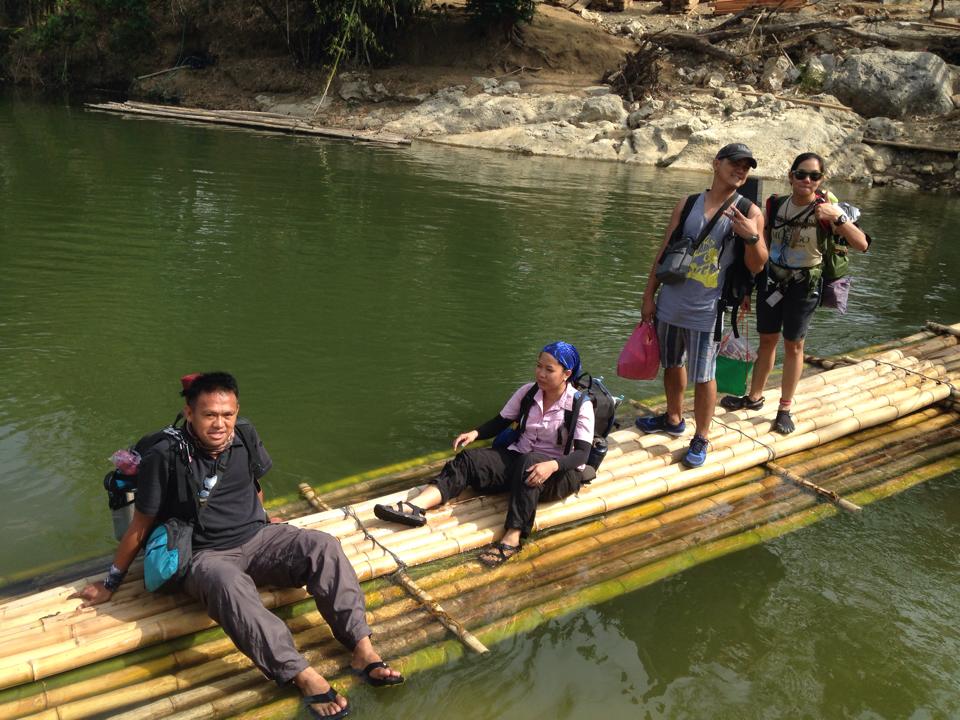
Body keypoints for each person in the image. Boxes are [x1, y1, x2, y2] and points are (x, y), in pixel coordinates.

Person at [72, 372, 401, 720]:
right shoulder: (165, 455)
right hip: (205, 555)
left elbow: (252, 483)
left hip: (257, 536)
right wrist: (110, 583)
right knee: (228, 584)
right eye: (209, 415)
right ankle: (301, 675)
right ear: (189, 414)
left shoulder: (245, 434)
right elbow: (140, 526)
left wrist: (265, 518)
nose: (219, 424)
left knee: (322, 545)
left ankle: (362, 648)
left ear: (237, 410)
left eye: (226, 415)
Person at [373, 342, 595, 567]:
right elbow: (501, 421)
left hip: (557, 474)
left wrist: (553, 466)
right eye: (539, 366)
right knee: (470, 459)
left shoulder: (579, 405)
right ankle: (415, 507)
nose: (541, 373)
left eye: (549, 369)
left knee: (531, 462)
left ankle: (513, 537)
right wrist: (475, 433)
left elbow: (582, 455)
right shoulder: (528, 392)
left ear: (566, 374)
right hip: (520, 459)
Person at [634, 143, 768, 467]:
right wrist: (648, 295)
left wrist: (750, 237)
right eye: (735, 163)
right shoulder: (689, 203)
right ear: (716, 163)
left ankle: (702, 435)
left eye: (746, 167)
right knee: (672, 363)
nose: (740, 170)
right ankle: (673, 417)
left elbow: (758, 265)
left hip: (708, 310)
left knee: (704, 375)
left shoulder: (750, 212)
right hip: (670, 303)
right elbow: (665, 250)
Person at [720, 152, 869, 434]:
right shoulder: (775, 205)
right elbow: (758, 247)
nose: (806, 180)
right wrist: (746, 289)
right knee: (767, 340)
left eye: (814, 176)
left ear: (821, 180)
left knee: (794, 345)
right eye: (801, 174)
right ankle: (754, 397)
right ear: (790, 176)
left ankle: (784, 408)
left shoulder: (829, 211)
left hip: (804, 285)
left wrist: (837, 219)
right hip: (771, 281)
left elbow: (862, 244)